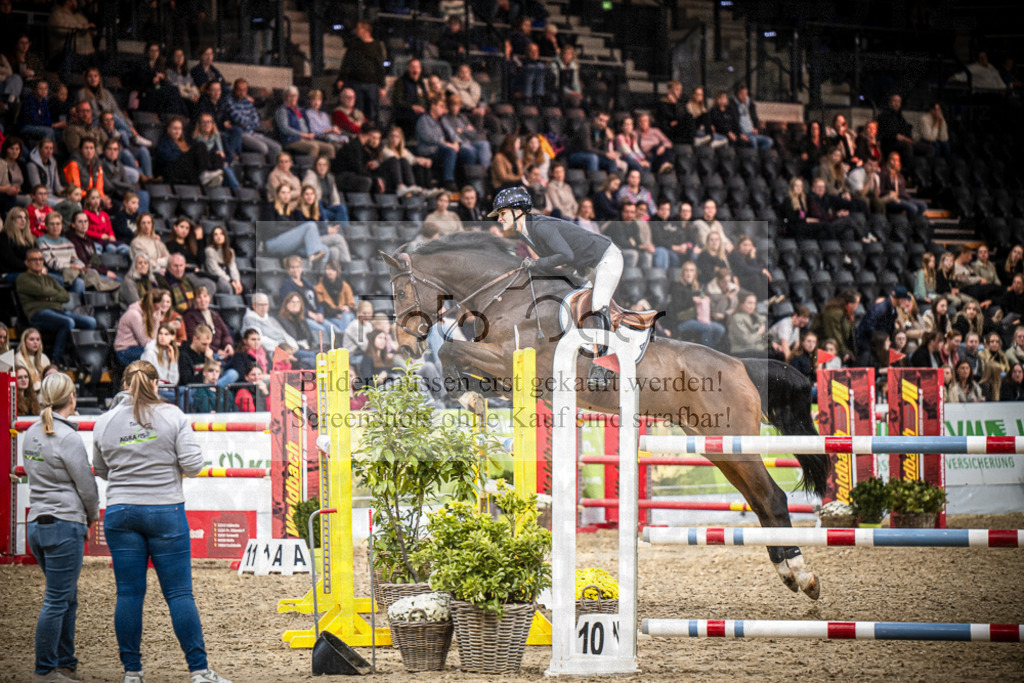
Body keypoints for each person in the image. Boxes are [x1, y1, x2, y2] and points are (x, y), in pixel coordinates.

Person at [93, 360, 231, 683]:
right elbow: (194, 466)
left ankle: (132, 673)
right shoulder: (172, 416)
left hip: (121, 510)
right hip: (165, 510)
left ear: (124, 385)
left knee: (128, 594)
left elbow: (100, 470)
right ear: (156, 384)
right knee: (180, 594)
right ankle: (199, 670)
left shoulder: (105, 421)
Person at [491, 186, 622, 390]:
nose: (499, 219)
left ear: (518, 211)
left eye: (502, 213)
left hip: (606, 259)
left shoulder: (541, 227)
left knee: (597, 304)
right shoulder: (525, 232)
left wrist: (535, 264)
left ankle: (604, 364)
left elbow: (564, 256)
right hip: (584, 266)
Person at [22, 372, 99, 682]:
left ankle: (65, 663)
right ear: (72, 399)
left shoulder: (30, 432)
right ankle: (46, 669)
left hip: (37, 523)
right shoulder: (68, 437)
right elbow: (86, 485)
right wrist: (92, 516)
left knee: (64, 596)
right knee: (58, 599)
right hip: (64, 523)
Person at [17, 248, 97, 364]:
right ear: (27, 263)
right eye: (34, 259)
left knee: (91, 322)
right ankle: (56, 359)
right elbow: (42, 290)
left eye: (40, 259)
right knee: (68, 322)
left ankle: (77, 358)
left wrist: (49, 298)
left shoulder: (49, 278)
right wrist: (53, 294)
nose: (38, 262)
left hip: (58, 311)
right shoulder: (22, 278)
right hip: (38, 313)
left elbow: (65, 296)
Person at [261, 184, 329, 261]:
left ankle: (319, 272)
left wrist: (295, 234)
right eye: (283, 193)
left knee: (325, 249)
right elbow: (269, 230)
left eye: (288, 193)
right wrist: (291, 231)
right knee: (310, 225)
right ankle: (311, 257)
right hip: (273, 243)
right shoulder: (270, 208)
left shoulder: (290, 211)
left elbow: (294, 230)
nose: (286, 195)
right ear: (277, 194)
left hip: (288, 244)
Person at [337, 20, 387, 123]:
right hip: (356, 82)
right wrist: (341, 78)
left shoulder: (376, 45)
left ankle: (371, 130)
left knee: (372, 110)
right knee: (358, 110)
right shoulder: (354, 44)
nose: (356, 31)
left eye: (358, 28)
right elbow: (347, 62)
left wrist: (382, 85)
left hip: (371, 83)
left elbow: (379, 66)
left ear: (364, 30)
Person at [668, 260, 724, 347]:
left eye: (691, 270)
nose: (689, 273)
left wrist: (705, 299)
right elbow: (676, 306)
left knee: (720, 329)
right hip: (681, 321)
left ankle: (712, 350)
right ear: (683, 273)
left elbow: (703, 298)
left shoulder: (698, 287)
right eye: (686, 270)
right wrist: (692, 300)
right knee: (707, 328)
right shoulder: (677, 286)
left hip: (697, 319)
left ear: (695, 273)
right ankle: (706, 354)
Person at [224, 79, 282, 160]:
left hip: (252, 133)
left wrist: (246, 124)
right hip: (242, 134)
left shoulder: (247, 102)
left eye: (244, 90)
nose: (242, 92)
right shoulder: (229, 101)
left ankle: (273, 170)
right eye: (239, 90)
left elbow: (256, 121)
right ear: (234, 89)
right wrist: (248, 122)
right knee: (263, 148)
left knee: (277, 147)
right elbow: (238, 119)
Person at [275, 86, 336, 160]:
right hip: (291, 139)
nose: (294, 98)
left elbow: (306, 124)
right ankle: (310, 169)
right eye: (291, 96)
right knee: (314, 147)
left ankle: (326, 169)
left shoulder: (298, 110)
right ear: (285, 97)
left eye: (295, 96)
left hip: (306, 138)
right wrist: (303, 134)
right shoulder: (282, 110)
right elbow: (285, 128)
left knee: (330, 148)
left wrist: (310, 134)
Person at [114, 287, 166, 366]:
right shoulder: (134, 315)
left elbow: (152, 340)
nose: (157, 311)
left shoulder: (146, 313)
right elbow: (145, 342)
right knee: (154, 355)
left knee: (167, 352)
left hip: (139, 347)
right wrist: (156, 322)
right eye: (156, 308)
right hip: (125, 351)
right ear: (150, 305)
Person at [183, 286, 235, 358]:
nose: (203, 300)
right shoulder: (190, 316)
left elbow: (225, 332)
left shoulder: (214, 314)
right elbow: (194, 338)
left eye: (205, 296)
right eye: (199, 297)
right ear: (195, 300)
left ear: (209, 298)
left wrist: (228, 344)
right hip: (204, 354)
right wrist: (216, 351)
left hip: (221, 351)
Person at [141, 323, 180, 399]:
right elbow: (148, 378)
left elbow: (173, 382)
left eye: (166, 334)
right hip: (155, 390)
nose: (162, 337)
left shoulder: (171, 351)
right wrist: (165, 386)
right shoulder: (150, 353)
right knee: (180, 396)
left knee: (190, 392)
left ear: (172, 337)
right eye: (160, 333)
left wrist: (173, 361)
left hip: (167, 389)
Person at [314, 260, 356, 332]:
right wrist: (338, 313)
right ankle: (343, 338)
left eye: (333, 269)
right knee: (339, 326)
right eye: (327, 269)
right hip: (330, 317)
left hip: (344, 316)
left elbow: (352, 306)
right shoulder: (319, 288)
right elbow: (324, 307)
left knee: (346, 316)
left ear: (337, 271)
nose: (330, 272)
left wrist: (348, 308)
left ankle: (342, 337)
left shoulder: (345, 286)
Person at [731, 84, 773, 150]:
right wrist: (739, 134)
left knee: (769, 141)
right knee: (753, 141)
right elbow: (733, 122)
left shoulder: (750, 105)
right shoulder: (732, 106)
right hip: (743, 133)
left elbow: (755, 118)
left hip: (752, 132)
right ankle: (755, 157)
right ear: (736, 95)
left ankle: (759, 155)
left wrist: (756, 128)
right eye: (742, 94)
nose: (744, 97)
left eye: (746, 94)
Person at [15, 326, 50, 395]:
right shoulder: (19, 358)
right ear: (24, 342)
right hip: (28, 394)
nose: (35, 342)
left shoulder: (44, 357)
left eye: (38, 339)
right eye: (31, 339)